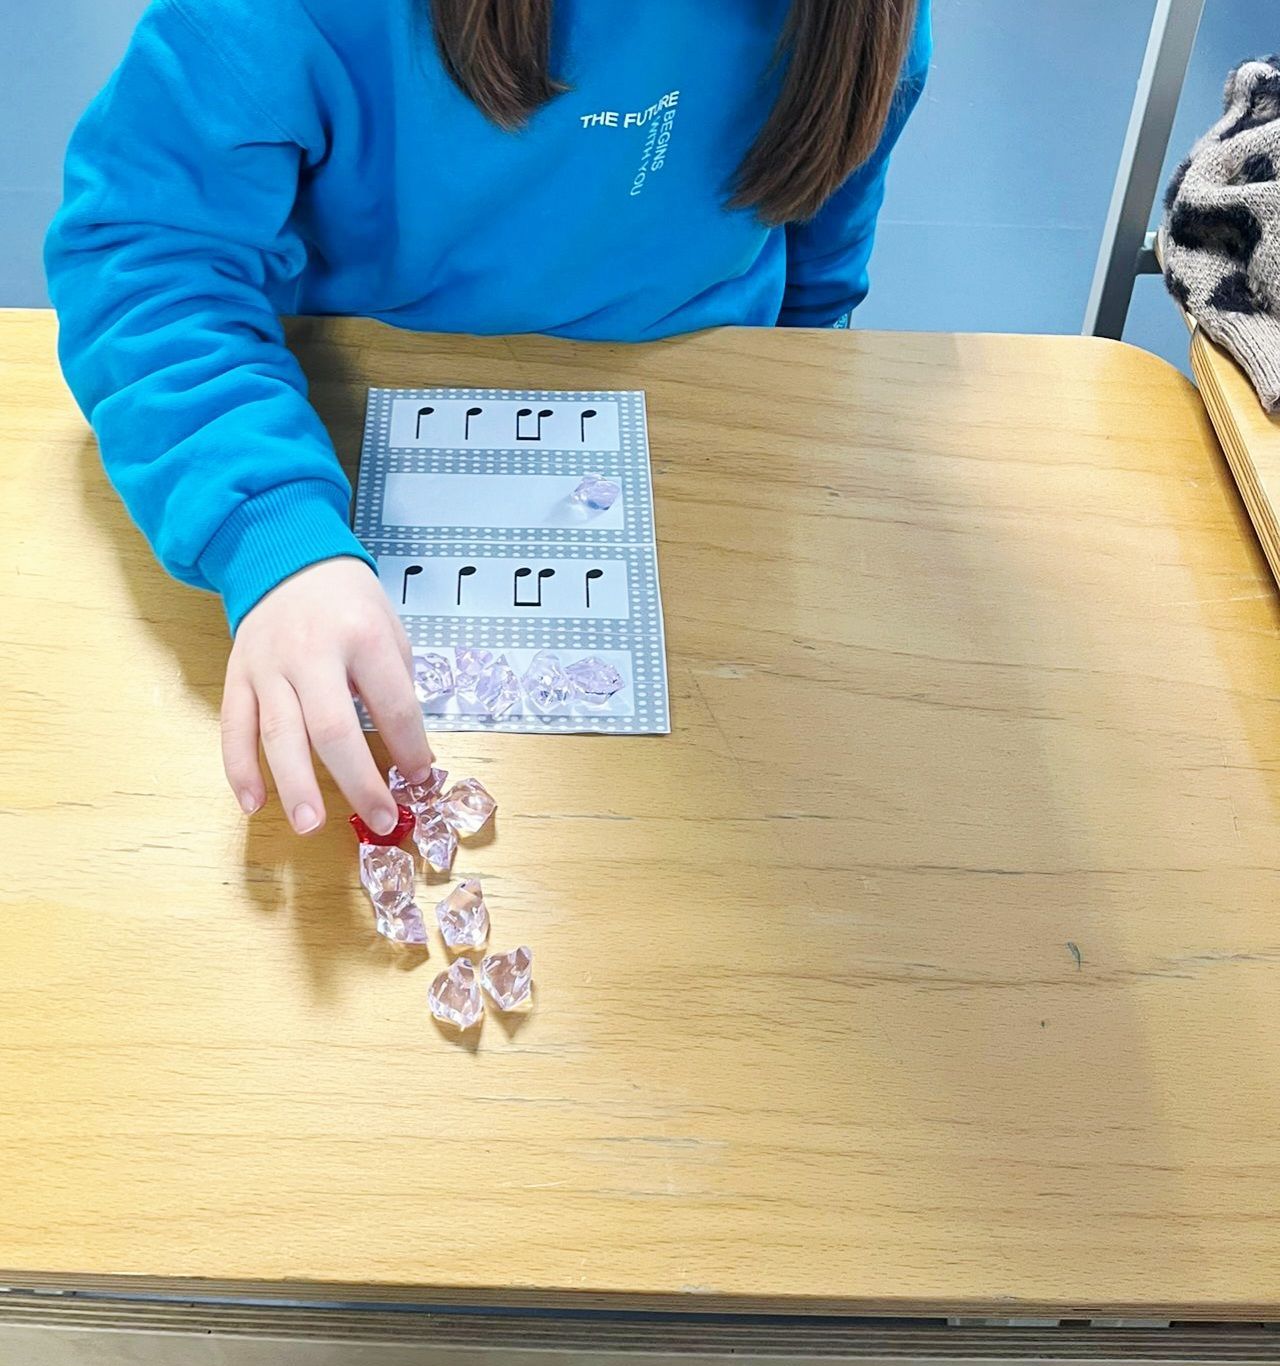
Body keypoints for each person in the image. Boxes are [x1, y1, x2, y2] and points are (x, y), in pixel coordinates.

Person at [46, 0, 931, 837]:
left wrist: (800, 402)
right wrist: (271, 533)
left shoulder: (863, 23)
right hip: (341, 428)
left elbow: (823, 261)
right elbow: (147, 256)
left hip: (704, 459)